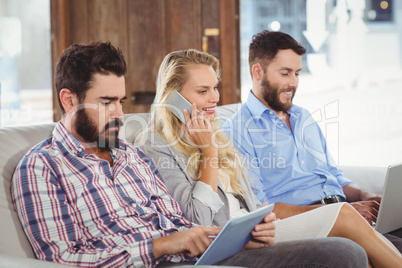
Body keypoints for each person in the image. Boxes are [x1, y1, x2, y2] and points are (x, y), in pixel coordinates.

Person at [9, 41, 366, 268]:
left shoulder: (130, 155)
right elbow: (60, 258)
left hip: (201, 256)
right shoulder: (42, 167)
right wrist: (162, 246)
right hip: (162, 261)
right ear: (69, 100)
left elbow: (184, 222)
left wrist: (235, 233)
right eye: (106, 102)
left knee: (348, 251)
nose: (119, 113)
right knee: (344, 252)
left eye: (121, 100)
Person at [136, 48, 402, 267]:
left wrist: (265, 221)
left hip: (256, 232)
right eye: (203, 91)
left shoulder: (215, 132)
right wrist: (209, 153)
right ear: (172, 97)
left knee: (362, 253)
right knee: (343, 215)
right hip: (226, 243)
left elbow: (253, 201)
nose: (215, 98)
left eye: (215, 88)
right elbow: (197, 220)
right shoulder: (156, 145)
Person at [221, 30, 402, 241]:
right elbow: (259, 207)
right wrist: (336, 214)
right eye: (285, 73)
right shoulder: (237, 131)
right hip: (306, 224)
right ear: (258, 72)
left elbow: (333, 174)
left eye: (297, 73)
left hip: (342, 210)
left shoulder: (303, 117)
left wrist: (365, 195)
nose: (294, 83)